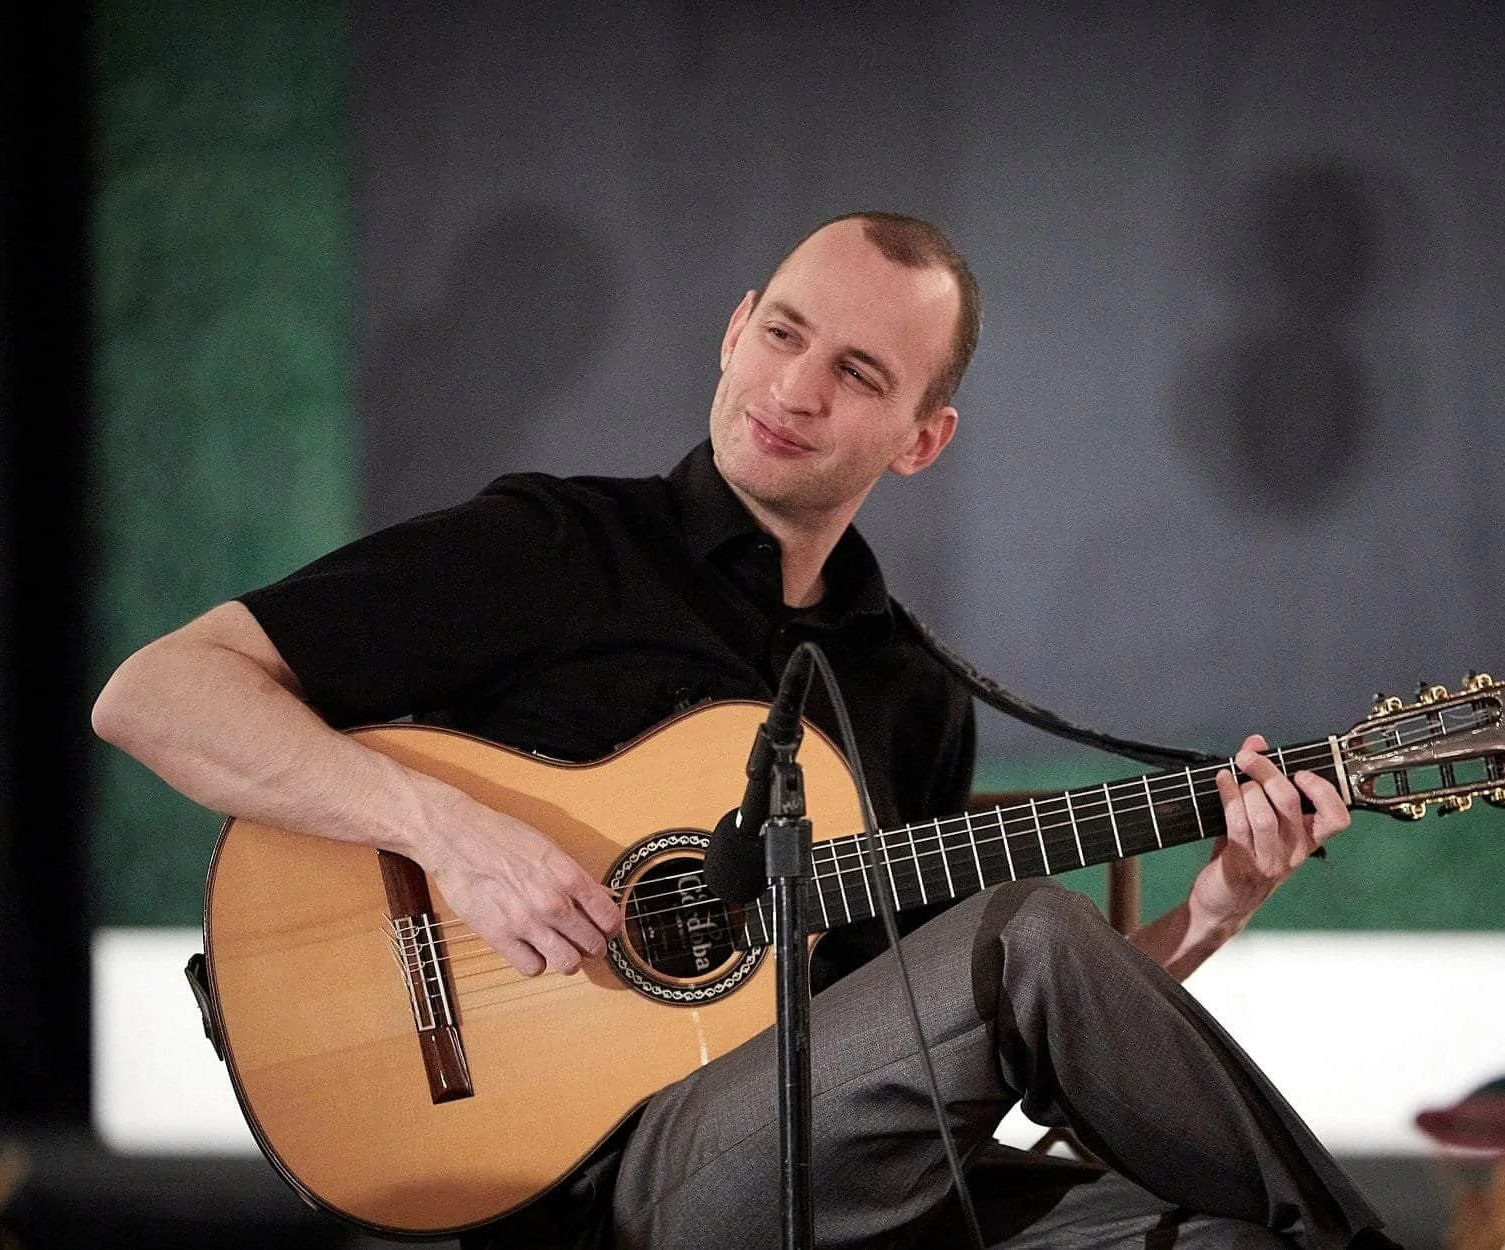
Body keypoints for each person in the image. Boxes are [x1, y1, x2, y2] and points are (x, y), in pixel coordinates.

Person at [92, 212, 1394, 1249]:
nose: (795, 386)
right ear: (731, 332)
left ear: (922, 437)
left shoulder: (907, 690)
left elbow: (932, 1033)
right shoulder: (557, 548)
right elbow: (154, 691)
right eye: (781, 333)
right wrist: (455, 832)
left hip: (836, 1173)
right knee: (1026, 927)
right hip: (610, 1191)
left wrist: (1218, 902)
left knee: (1223, 1235)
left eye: (857, 372)